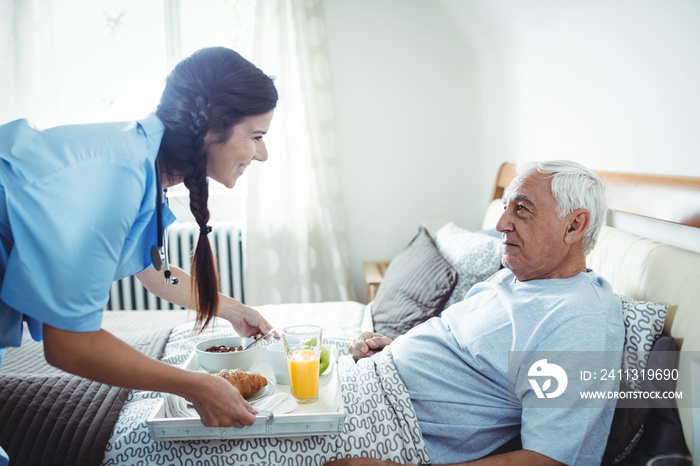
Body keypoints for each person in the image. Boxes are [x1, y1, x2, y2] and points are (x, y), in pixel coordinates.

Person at [0, 47, 278, 442]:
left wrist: (233, 310)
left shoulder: (145, 164)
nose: (262, 154)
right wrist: (196, 386)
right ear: (211, 130)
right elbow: (68, 345)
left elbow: (153, 273)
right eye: (257, 136)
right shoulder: (117, 174)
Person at [326, 160, 625, 466]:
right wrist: (397, 350)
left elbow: (551, 459)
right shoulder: (515, 276)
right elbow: (465, 356)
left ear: (574, 225)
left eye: (521, 209)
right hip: (367, 380)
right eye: (506, 206)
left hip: (387, 424)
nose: (501, 224)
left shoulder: (579, 320)